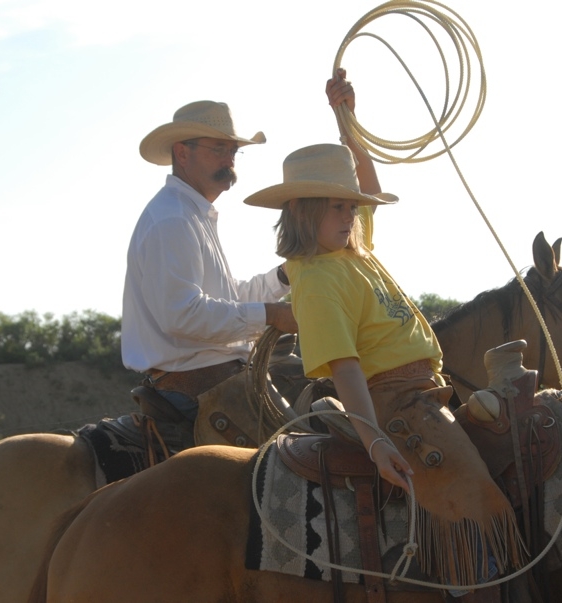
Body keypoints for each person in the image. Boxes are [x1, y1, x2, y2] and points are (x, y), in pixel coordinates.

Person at [243, 70, 443, 491]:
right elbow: (345, 367)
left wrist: (346, 119)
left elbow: (366, 179)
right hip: (393, 405)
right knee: (472, 493)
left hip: (422, 395)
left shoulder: (350, 245)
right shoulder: (316, 278)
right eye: (339, 207)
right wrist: (374, 440)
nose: (350, 215)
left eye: (352, 208)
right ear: (302, 211)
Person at [121, 100, 298, 426]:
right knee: (305, 452)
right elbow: (183, 314)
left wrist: (285, 277)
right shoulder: (173, 219)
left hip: (213, 378)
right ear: (182, 153)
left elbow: (225, 302)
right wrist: (271, 314)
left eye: (233, 151)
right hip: (200, 385)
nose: (229, 159)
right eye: (219, 148)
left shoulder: (186, 214)